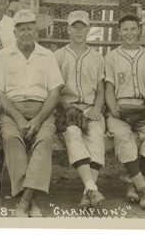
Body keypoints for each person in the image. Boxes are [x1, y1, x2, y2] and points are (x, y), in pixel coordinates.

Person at [0, 9, 65, 217]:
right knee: (12, 138)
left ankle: (23, 201)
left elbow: (54, 92)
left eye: (30, 28)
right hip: (12, 112)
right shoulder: (3, 55)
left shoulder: (47, 55)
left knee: (45, 140)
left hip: (42, 111)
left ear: (36, 31)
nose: (26, 33)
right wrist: (20, 118)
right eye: (21, 29)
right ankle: (32, 200)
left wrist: (39, 120)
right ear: (14, 32)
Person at [103, 13, 145, 209]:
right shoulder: (111, 57)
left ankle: (134, 183)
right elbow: (109, 88)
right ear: (119, 32)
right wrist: (114, 111)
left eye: (133, 29)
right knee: (122, 135)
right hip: (120, 106)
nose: (129, 33)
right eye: (125, 29)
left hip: (142, 106)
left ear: (139, 30)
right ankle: (143, 188)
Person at [54, 11, 107, 209]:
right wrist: (66, 107)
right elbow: (53, 91)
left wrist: (97, 108)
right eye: (74, 26)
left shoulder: (97, 57)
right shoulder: (58, 55)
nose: (78, 30)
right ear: (68, 29)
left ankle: (88, 192)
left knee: (97, 134)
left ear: (88, 29)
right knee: (73, 133)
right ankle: (92, 188)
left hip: (90, 108)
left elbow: (101, 90)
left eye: (82, 26)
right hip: (67, 108)